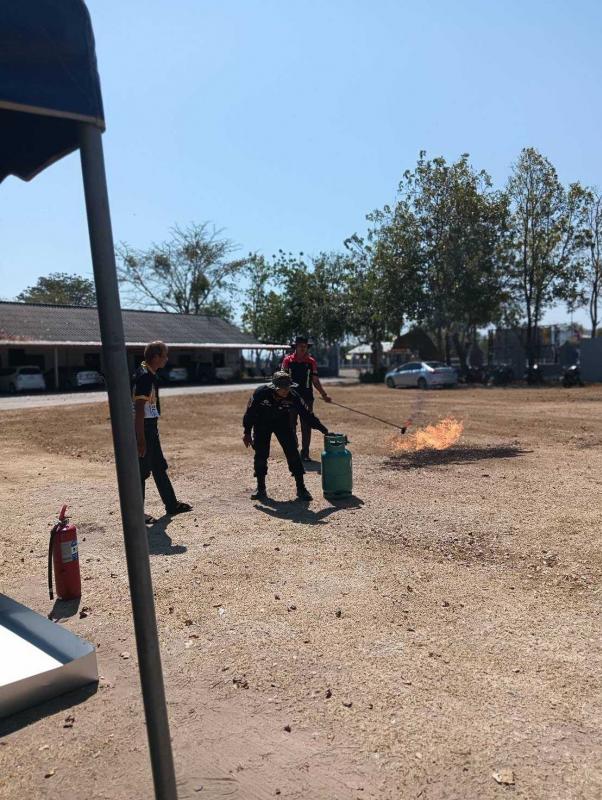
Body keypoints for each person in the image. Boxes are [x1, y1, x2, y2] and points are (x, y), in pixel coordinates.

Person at [242, 370, 329, 501]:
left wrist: (323, 429)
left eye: (287, 387)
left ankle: (301, 488)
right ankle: (260, 488)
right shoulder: (260, 393)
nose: (285, 391)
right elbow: (250, 413)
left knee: (292, 452)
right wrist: (247, 432)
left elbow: (307, 415)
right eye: (282, 388)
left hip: (282, 423)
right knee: (261, 454)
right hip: (261, 423)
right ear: (274, 387)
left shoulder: (293, 396)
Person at [132, 341, 192, 523]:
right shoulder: (144, 376)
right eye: (165, 355)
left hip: (150, 427)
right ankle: (137, 514)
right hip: (144, 428)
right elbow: (138, 409)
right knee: (141, 472)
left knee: (159, 466)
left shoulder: (149, 372)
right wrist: (140, 439)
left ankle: (171, 504)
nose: (167, 359)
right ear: (156, 357)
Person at [281, 335, 332, 461]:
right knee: (290, 425)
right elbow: (282, 379)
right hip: (290, 398)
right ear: (296, 347)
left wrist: (324, 394)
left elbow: (315, 380)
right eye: (301, 346)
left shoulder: (311, 362)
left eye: (305, 346)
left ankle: (305, 453)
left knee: (306, 426)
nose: (303, 348)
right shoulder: (287, 361)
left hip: (307, 398)